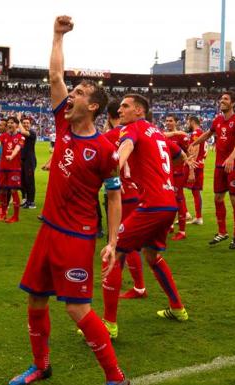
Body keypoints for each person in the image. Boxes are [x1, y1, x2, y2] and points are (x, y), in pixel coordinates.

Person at [10, 16, 128, 385]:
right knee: (35, 300)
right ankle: (41, 366)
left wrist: (111, 242)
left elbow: (114, 195)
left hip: (76, 237)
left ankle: (116, 378)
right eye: (73, 91)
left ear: (93, 107)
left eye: (79, 93)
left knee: (78, 308)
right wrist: (57, 36)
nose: (71, 94)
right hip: (48, 230)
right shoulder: (63, 123)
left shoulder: (105, 150)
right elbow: (55, 76)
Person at [101, 94, 189, 340]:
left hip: (151, 205)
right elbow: (178, 154)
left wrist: (115, 164)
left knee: (113, 252)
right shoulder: (157, 132)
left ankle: (108, 325)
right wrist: (181, 171)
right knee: (151, 255)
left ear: (139, 110)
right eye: (119, 107)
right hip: (167, 203)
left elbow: (126, 145)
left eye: (125, 106)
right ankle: (177, 308)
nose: (121, 109)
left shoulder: (133, 128)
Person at [102, 99, 146, 301]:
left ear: (110, 117)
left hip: (122, 194)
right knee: (128, 244)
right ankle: (137, 286)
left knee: (123, 244)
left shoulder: (113, 135)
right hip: (135, 191)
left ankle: (138, 287)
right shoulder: (135, 132)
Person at [191, 91, 235, 249]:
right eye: (221, 98)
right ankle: (222, 232)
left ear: (233, 103)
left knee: (234, 198)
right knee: (218, 198)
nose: (221, 101)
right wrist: (195, 143)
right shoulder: (217, 119)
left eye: (225, 99)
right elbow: (208, 134)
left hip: (233, 166)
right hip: (219, 165)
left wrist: (231, 158)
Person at [0, 116, 24, 223]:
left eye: (12, 123)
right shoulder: (3, 136)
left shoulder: (21, 137)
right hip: (3, 167)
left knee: (13, 191)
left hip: (14, 168)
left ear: (17, 125)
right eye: (8, 123)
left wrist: (12, 156)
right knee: (2, 190)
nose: (10, 124)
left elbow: (17, 148)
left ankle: (15, 216)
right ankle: (3, 212)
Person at [163, 114, 192, 241]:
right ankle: (170, 225)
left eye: (171, 121)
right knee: (168, 199)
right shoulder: (163, 136)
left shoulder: (181, 136)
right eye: (167, 121)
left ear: (176, 122)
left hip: (179, 172)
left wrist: (191, 172)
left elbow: (189, 154)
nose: (168, 123)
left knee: (179, 199)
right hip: (167, 172)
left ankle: (182, 231)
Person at [184, 116, 206, 225]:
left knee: (177, 188)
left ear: (192, 122)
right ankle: (198, 217)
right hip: (200, 164)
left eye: (188, 122)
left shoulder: (195, 133)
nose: (187, 124)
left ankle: (185, 213)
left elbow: (195, 149)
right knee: (196, 191)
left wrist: (191, 170)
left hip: (195, 165)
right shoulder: (202, 132)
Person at [19, 115, 37, 209]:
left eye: (27, 123)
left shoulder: (32, 133)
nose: (26, 124)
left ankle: (32, 202)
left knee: (30, 181)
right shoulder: (20, 135)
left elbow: (22, 131)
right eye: (24, 123)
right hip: (22, 161)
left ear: (30, 125)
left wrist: (18, 120)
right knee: (23, 182)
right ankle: (26, 200)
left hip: (29, 161)